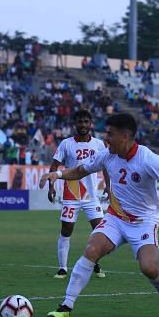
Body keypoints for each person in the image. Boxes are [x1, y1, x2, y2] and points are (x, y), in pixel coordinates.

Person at [38, 113, 159, 317]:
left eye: (110, 134)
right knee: (91, 249)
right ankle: (65, 306)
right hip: (116, 218)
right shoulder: (107, 154)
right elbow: (80, 170)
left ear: (125, 136)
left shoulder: (146, 157)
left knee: (149, 268)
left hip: (144, 221)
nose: (106, 139)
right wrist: (58, 174)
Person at [47, 110, 110, 278]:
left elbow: (106, 166)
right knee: (66, 229)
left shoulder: (98, 144)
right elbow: (54, 166)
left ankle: (94, 263)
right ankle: (62, 268)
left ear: (90, 124)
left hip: (91, 196)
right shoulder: (66, 144)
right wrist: (51, 186)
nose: (83, 125)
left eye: (86, 122)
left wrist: (108, 187)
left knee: (100, 230)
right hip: (71, 194)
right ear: (75, 124)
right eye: (80, 122)